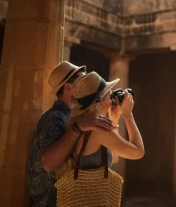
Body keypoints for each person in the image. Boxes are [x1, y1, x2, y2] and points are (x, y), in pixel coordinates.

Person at [27, 62, 114, 207]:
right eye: (83, 82)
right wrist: (78, 128)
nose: (88, 85)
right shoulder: (54, 118)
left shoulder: (72, 117)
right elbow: (48, 164)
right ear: (69, 87)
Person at [56, 71, 145, 182]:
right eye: (109, 92)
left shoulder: (80, 123)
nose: (112, 95)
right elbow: (138, 152)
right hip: (92, 197)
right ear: (100, 100)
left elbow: (114, 158)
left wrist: (114, 120)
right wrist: (128, 115)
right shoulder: (97, 130)